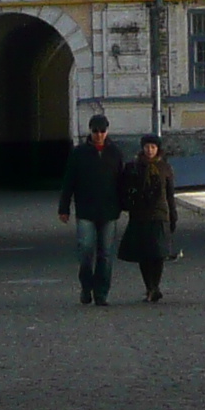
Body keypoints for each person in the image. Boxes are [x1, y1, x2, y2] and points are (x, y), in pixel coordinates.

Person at [58, 114, 125, 305]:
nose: (99, 135)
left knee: (105, 253)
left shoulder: (115, 153)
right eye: (95, 131)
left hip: (109, 210)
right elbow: (69, 180)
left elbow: (122, 181)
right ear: (90, 131)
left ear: (107, 131)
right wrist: (64, 207)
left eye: (102, 131)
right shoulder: (79, 153)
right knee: (86, 250)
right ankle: (86, 286)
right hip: (85, 209)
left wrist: (125, 203)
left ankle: (101, 292)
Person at [118, 138, 179, 303]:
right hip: (140, 214)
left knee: (158, 253)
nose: (149, 150)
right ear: (142, 148)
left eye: (153, 147)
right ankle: (149, 287)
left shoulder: (165, 168)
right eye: (147, 147)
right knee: (144, 253)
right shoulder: (134, 167)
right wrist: (126, 203)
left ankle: (155, 286)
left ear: (158, 149)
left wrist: (173, 215)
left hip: (160, 214)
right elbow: (124, 187)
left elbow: (169, 194)